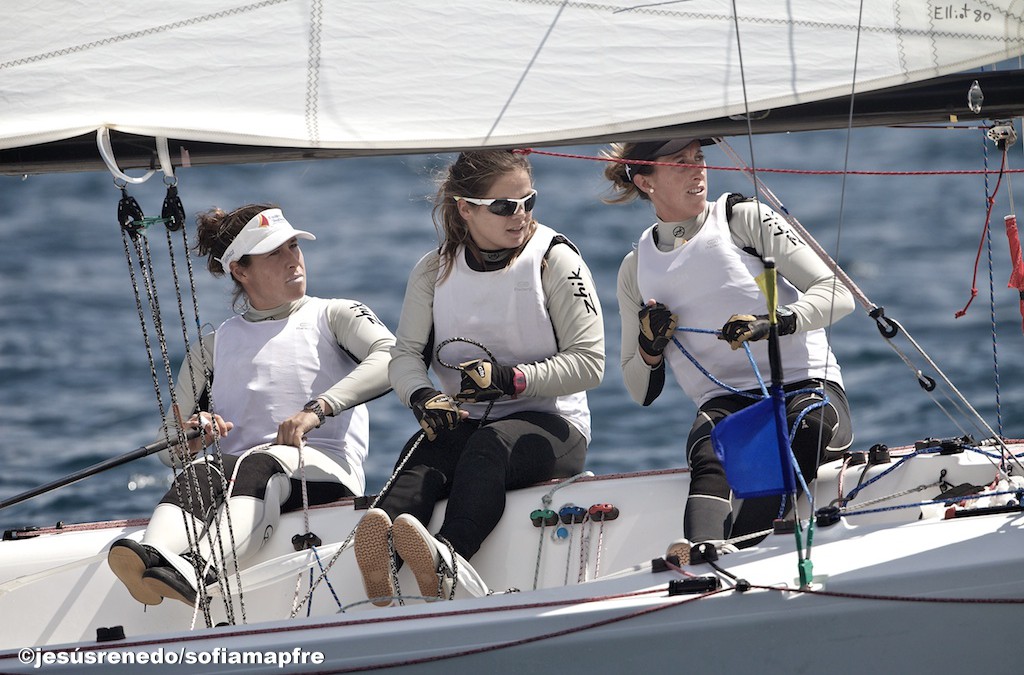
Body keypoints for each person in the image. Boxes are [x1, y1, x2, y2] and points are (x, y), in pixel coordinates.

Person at [107, 204, 396, 606]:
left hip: (324, 470)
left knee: (258, 464)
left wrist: (318, 409)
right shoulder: (212, 348)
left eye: (293, 246)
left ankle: (197, 568)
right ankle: (153, 561)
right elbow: (169, 446)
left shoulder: (335, 315)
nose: (292, 259)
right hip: (242, 479)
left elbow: (391, 357)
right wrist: (193, 435)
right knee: (202, 468)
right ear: (240, 271)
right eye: (274, 252)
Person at [353, 150, 604, 605]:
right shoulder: (433, 270)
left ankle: (448, 558)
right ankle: (383, 552)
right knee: (421, 454)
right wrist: (423, 395)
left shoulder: (555, 261)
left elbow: (590, 363)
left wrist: (511, 380)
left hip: (552, 424)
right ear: (464, 207)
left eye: (529, 201)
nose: (521, 215)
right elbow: (405, 355)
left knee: (490, 446)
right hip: (469, 422)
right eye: (506, 206)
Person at [604, 138, 855, 557]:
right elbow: (639, 389)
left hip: (807, 389)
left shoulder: (743, 219)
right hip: (724, 402)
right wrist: (651, 345)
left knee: (804, 429)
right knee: (709, 451)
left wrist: (771, 323)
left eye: (699, 157)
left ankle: (737, 550)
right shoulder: (636, 269)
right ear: (645, 181)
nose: (697, 169)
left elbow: (837, 293)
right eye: (679, 163)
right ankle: (703, 554)